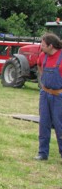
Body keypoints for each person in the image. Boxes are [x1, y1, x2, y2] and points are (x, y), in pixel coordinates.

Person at [34, 33, 62, 161]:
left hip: (58, 96)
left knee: (59, 125)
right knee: (44, 124)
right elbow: (39, 65)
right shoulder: (42, 56)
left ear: (51, 46)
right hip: (45, 94)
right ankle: (42, 153)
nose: (41, 47)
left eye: (43, 45)